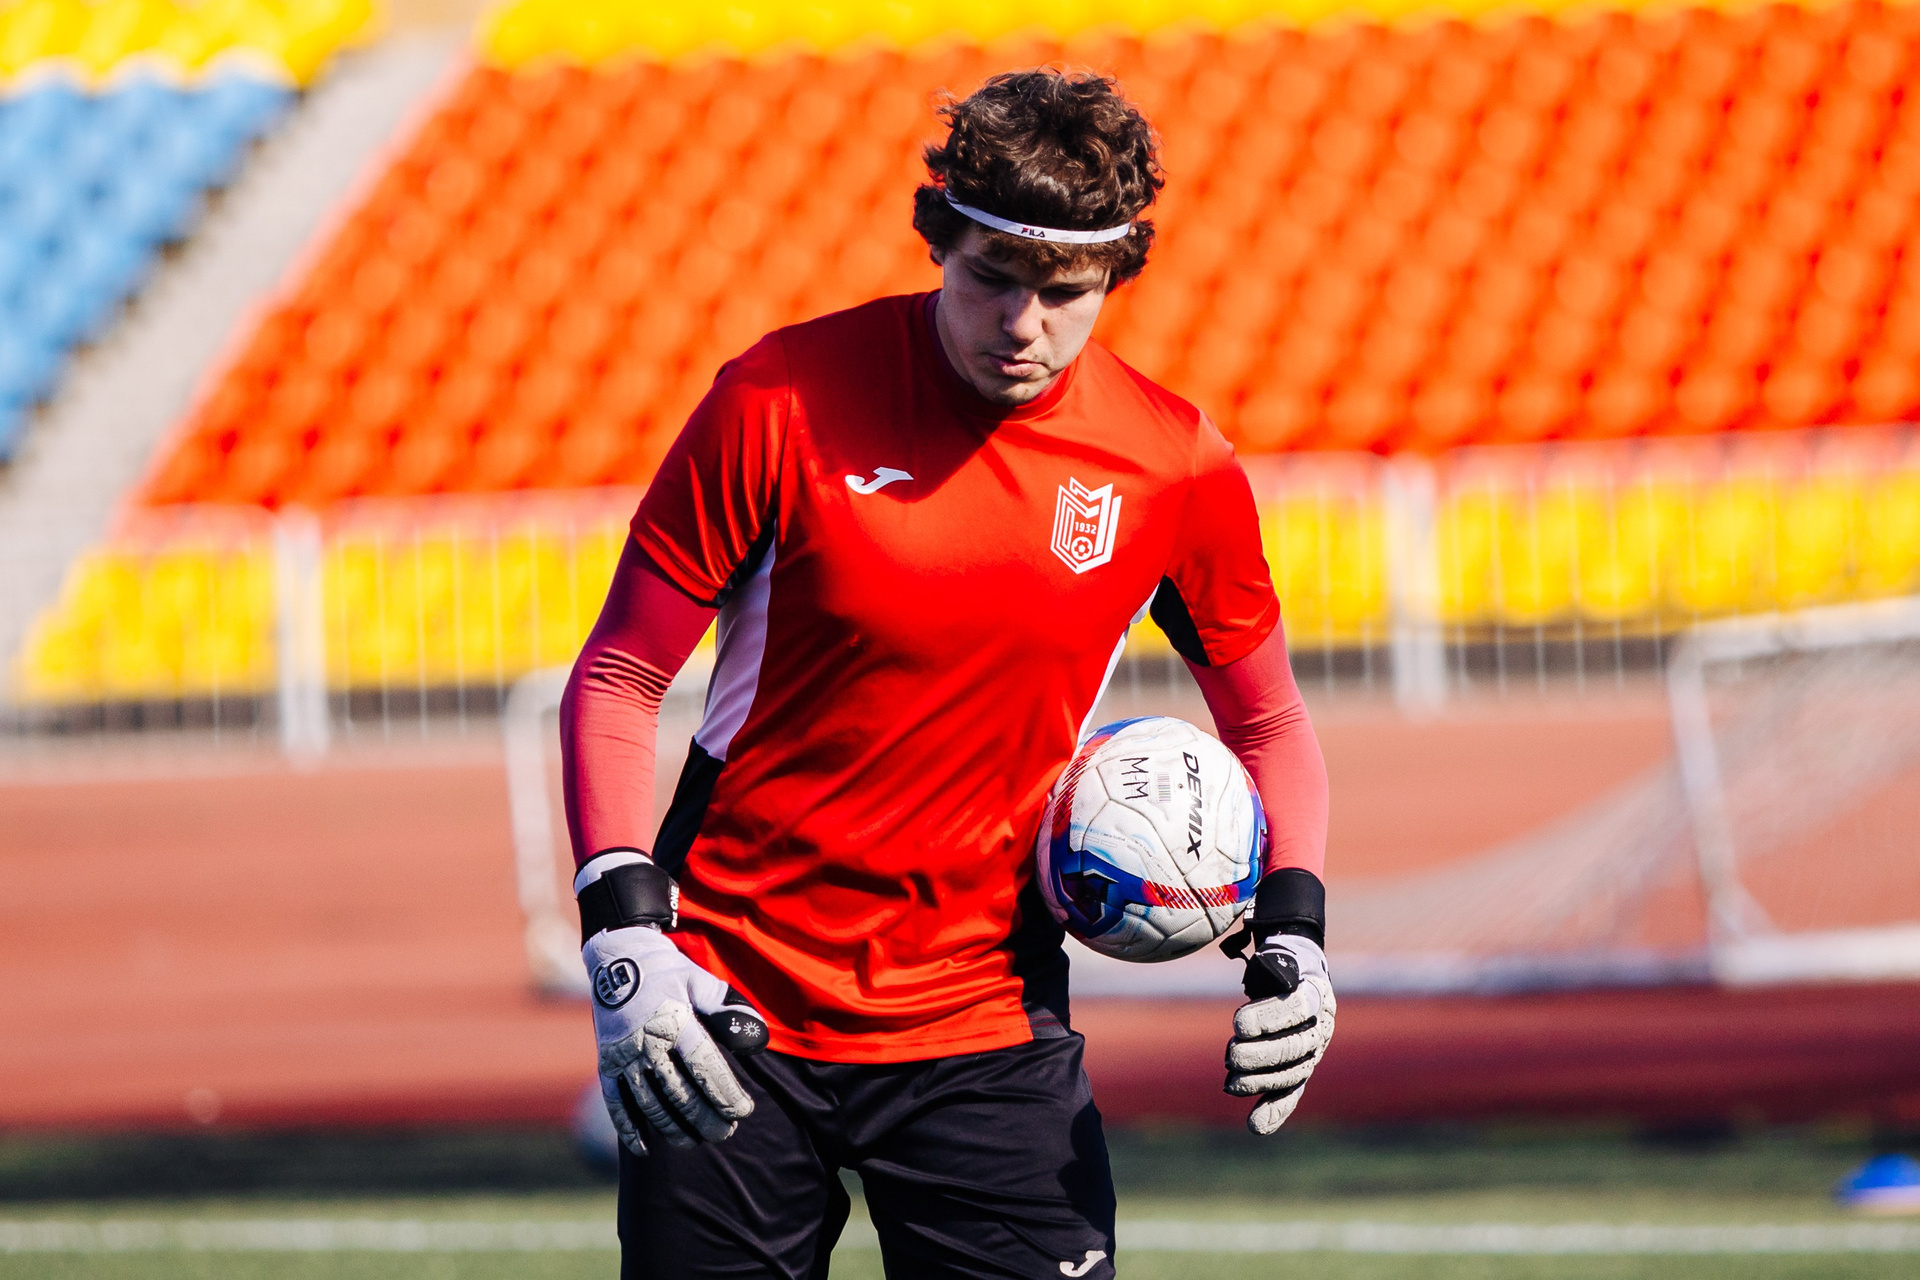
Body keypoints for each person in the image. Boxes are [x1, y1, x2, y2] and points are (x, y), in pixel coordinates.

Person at [561, 67, 1333, 1280]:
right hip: (724, 1000)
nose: (1021, 321)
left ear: (1116, 275)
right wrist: (624, 933)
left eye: (1063, 290)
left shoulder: (1173, 466)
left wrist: (1296, 932)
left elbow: (1271, 718)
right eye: (991, 275)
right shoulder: (777, 399)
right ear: (938, 243)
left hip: (986, 1023)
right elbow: (618, 672)